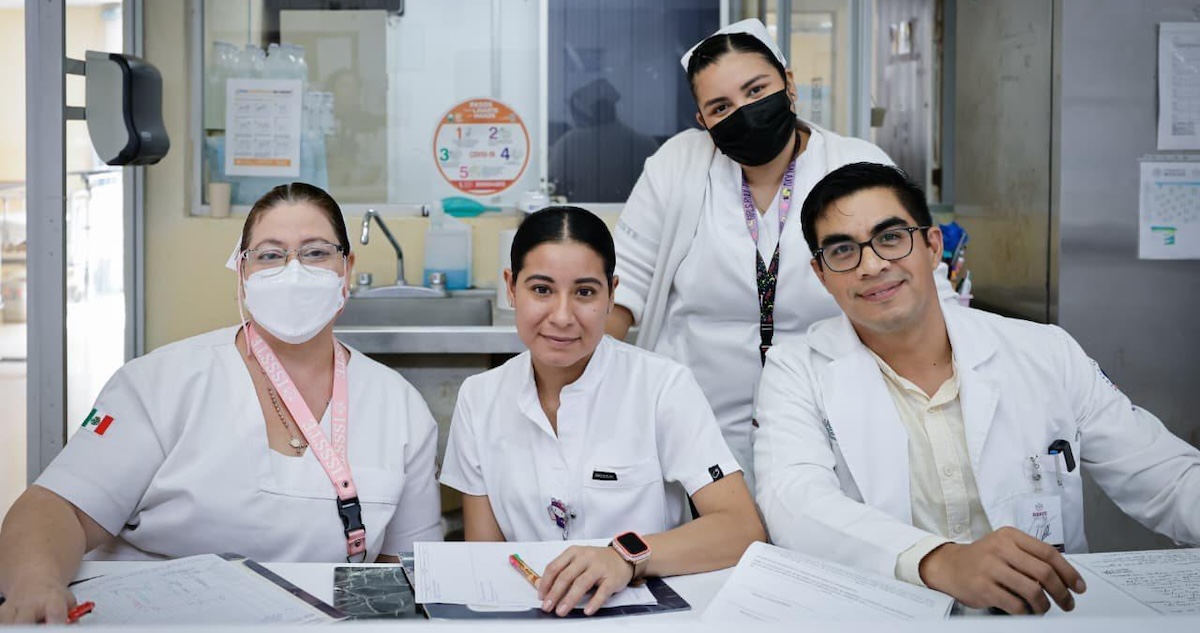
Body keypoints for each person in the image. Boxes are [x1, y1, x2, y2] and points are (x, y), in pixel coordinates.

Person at [753, 162, 1200, 614]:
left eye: (890, 238)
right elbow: (794, 503)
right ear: (821, 273)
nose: (872, 265)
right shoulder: (797, 371)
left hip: (1043, 617)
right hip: (888, 616)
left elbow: (1168, 480)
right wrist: (938, 561)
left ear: (931, 247)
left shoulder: (1044, 352)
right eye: (843, 250)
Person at [0, 183, 441, 625]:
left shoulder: (398, 406)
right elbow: (56, 508)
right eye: (270, 255)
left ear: (346, 269)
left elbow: (408, 568)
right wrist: (36, 584)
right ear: (242, 275)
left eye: (315, 253)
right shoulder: (161, 383)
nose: (293, 272)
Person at [605, 19, 955, 488]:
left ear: (788, 83)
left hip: (833, 425)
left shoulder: (854, 165)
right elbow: (623, 289)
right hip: (696, 431)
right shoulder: (678, 165)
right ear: (703, 122)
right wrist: (594, 397)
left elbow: (925, 286)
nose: (745, 112)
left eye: (756, 90)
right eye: (721, 106)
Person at [440, 206, 765, 617]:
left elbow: (741, 528)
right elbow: (484, 558)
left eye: (585, 292)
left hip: (642, 616)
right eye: (541, 289)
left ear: (612, 293)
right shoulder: (479, 398)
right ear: (511, 286)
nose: (562, 316)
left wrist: (625, 557)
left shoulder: (662, 386)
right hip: (529, 615)